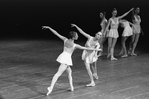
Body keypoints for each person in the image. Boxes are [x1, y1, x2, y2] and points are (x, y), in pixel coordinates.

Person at [42, 26, 101, 95]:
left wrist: (49, 28)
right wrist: (97, 49)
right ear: (73, 37)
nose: (78, 36)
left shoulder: (65, 40)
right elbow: (86, 48)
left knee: (69, 72)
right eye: (76, 35)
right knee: (58, 74)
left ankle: (71, 87)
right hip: (66, 59)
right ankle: (50, 87)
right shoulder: (75, 45)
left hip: (63, 56)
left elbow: (56, 33)